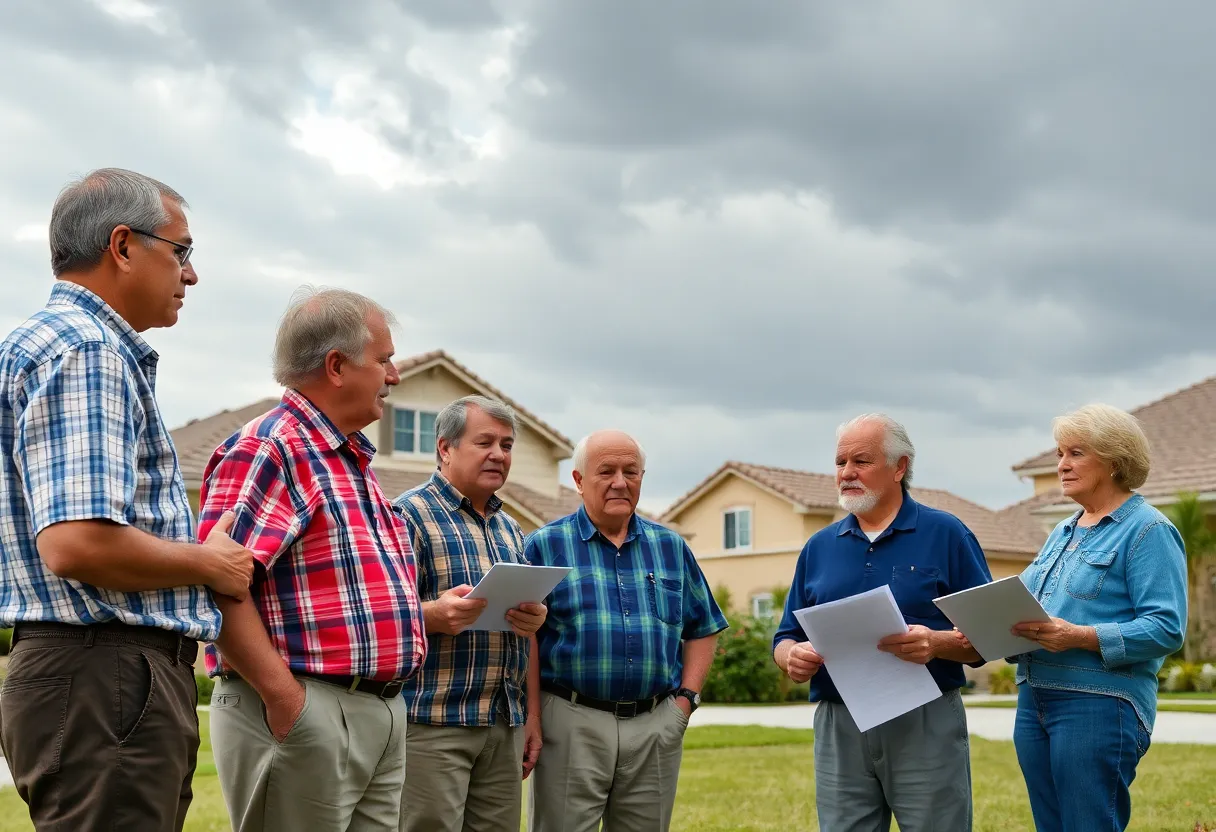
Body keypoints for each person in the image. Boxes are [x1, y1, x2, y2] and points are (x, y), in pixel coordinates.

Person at [0, 168, 255, 831]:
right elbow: (77, 542)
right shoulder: (88, 352)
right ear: (122, 245)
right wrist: (209, 563)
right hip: (108, 673)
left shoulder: (44, 346)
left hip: (93, 675)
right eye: (182, 251)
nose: (191, 275)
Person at [199, 287, 427, 832]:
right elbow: (218, 584)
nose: (394, 375)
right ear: (336, 366)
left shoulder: (349, 461)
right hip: (307, 708)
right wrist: (287, 701)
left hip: (376, 711)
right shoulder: (270, 448)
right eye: (384, 359)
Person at [772, 413, 992, 832]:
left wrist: (938, 643)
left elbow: (987, 636)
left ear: (900, 467)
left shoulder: (947, 534)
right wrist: (791, 656)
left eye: (862, 461)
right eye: (840, 462)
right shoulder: (818, 547)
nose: (847, 473)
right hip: (839, 721)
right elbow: (785, 636)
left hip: (924, 717)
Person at [525, 429, 728, 832]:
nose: (621, 482)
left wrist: (685, 701)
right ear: (579, 481)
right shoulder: (544, 546)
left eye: (630, 471)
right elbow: (525, 637)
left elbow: (703, 626)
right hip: (570, 719)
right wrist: (532, 716)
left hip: (655, 722)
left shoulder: (670, 546)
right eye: (607, 471)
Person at [1003, 404, 1186, 831]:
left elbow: (1166, 628)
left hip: (1099, 704)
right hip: (1034, 699)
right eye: (1060, 453)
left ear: (1114, 459)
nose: (1062, 465)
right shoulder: (1063, 532)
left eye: (1076, 453)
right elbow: (1023, 600)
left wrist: (1080, 636)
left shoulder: (1147, 530)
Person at [394, 395, 548, 832]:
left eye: (507, 445)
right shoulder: (408, 516)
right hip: (432, 721)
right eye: (485, 442)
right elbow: (383, 614)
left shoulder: (510, 528)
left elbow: (526, 633)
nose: (499, 454)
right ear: (445, 448)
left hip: (502, 720)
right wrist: (433, 614)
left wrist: (530, 717)